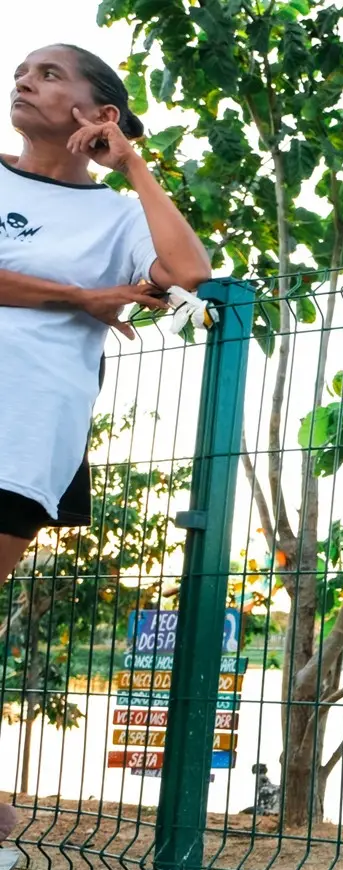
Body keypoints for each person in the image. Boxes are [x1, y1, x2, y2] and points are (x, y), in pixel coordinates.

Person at [0, 44, 210, 587]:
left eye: (48, 75)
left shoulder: (118, 214)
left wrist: (132, 166)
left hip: (25, 431)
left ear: (103, 116)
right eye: (22, 73)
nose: (24, 81)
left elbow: (188, 273)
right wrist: (80, 297)